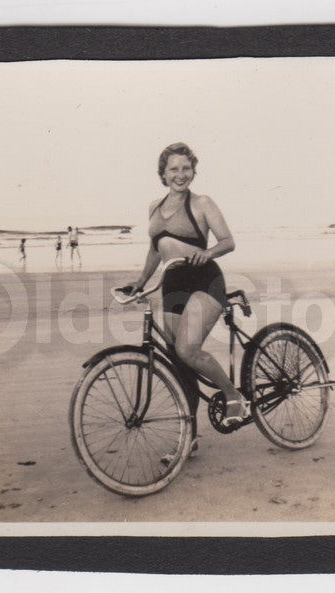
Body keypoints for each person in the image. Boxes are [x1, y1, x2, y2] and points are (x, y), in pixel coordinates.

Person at [126, 142, 249, 456]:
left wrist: (207, 253)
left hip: (204, 279)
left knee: (187, 349)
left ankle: (234, 396)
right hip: (173, 284)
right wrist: (140, 282)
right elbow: (155, 250)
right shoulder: (154, 206)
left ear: (193, 171)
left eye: (186, 168)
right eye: (173, 169)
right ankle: (190, 438)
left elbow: (228, 241)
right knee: (180, 365)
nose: (180, 175)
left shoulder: (202, 203)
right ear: (163, 174)